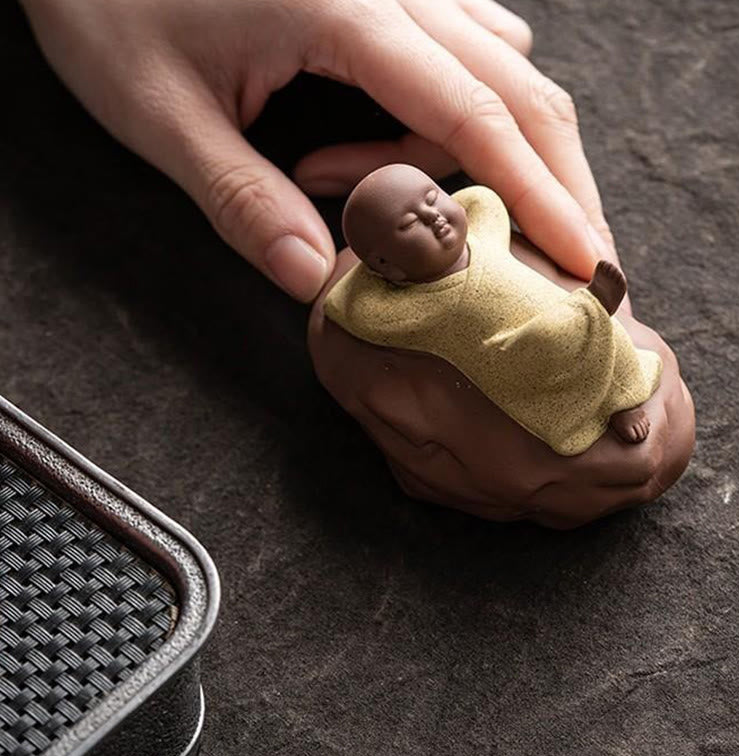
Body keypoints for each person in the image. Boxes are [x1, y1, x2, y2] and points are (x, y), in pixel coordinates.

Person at [19, 0, 617, 303]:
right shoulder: (382, 309)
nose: (436, 215)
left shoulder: (483, 225)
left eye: (432, 200)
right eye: (414, 216)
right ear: (378, 263)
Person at [323, 164, 659, 455]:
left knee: (609, 332)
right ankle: (591, 309)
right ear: (387, 265)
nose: (433, 216)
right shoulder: (421, 310)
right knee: (554, 340)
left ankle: (622, 398)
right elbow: (347, 306)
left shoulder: (482, 237)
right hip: (516, 355)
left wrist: (443, 203)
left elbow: (482, 198)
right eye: (411, 223)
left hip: (559, 308)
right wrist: (378, 270)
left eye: (432, 198)